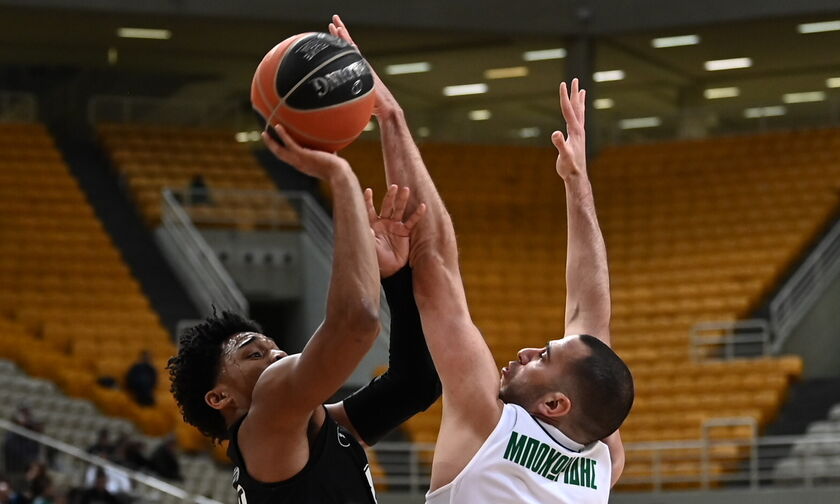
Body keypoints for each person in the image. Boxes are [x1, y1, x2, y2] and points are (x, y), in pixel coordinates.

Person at [329, 16, 634, 503]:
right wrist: (578, 184)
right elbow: (590, 312)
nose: (530, 351)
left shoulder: (489, 423)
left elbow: (437, 271)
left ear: (555, 403)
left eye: (545, 358)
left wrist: (390, 118)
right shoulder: (600, 463)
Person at [167, 122, 439, 503]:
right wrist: (339, 176)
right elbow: (357, 322)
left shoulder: (303, 426)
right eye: (253, 354)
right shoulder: (265, 421)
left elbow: (416, 385)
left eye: (272, 346)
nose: (276, 355)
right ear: (219, 398)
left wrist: (394, 278)